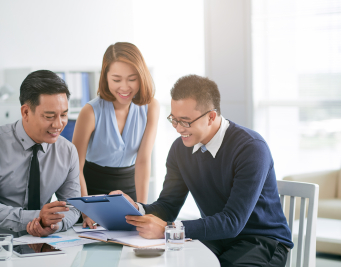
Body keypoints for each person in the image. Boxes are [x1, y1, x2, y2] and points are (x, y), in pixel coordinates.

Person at [111, 75, 293, 267]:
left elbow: (232, 221)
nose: (178, 129)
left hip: (262, 241)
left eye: (185, 121)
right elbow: (168, 206)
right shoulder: (180, 149)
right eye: (174, 119)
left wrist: (168, 229)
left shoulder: (251, 148)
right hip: (216, 236)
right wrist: (136, 209)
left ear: (211, 117)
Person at [0, 70, 81, 266]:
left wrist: (53, 224)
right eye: (49, 116)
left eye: (63, 115)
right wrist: (37, 217)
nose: (59, 124)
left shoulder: (67, 151)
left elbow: (73, 206)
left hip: (40, 241)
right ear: (26, 112)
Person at [72, 42, 159, 228]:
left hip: (129, 194)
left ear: (141, 77)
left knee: (131, 249)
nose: (125, 87)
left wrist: (141, 209)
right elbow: (75, 167)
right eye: (117, 80)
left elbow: (143, 160)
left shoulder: (151, 107)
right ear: (106, 78)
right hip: (92, 195)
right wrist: (87, 211)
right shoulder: (89, 112)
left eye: (132, 79)